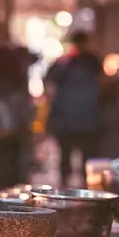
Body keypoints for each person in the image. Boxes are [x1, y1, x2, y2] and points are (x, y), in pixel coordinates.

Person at [45, 31, 104, 187]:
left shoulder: (89, 62)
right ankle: (70, 185)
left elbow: (49, 81)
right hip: (76, 119)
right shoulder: (75, 63)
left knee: (83, 156)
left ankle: (81, 184)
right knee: (70, 155)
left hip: (79, 118)